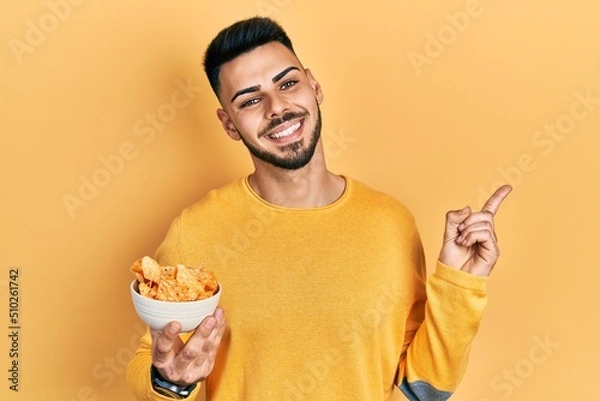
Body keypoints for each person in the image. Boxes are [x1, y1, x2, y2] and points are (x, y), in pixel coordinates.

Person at [126, 16, 511, 401]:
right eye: (251, 100)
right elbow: (154, 358)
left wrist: (459, 287)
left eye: (288, 83)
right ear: (229, 124)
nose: (277, 107)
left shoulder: (391, 225)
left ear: (315, 86)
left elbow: (421, 389)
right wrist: (170, 381)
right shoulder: (196, 231)